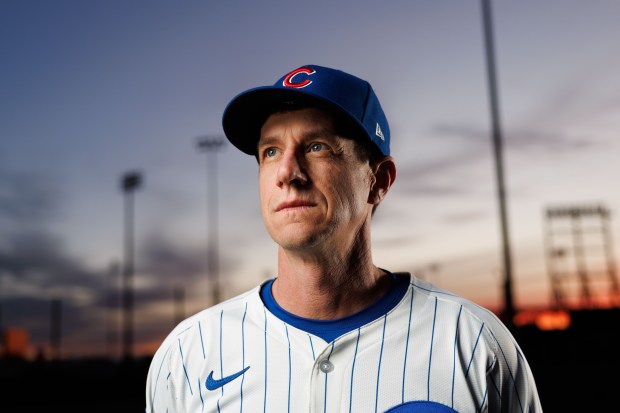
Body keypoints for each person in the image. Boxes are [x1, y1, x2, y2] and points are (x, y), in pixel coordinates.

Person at [145, 64, 542, 412]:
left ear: (378, 181)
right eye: (270, 151)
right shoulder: (190, 353)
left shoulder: (472, 341)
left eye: (317, 147)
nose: (287, 172)